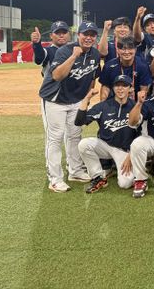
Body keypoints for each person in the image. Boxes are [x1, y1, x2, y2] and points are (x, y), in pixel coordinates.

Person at [38, 21, 100, 192]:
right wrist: (73, 57)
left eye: (92, 35)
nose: (88, 38)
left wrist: (86, 98)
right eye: (85, 34)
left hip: (76, 100)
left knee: (74, 136)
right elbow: (57, 75)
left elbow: (92, 76)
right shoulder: (64, 51)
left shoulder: (95, 54)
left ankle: (75, 171)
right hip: (55, 99)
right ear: (78, 35)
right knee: (55, 138)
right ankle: (55, 179)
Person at [76, 75, 138, 193]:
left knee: (125, 184)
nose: (120, 89)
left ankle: (136, 173)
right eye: (117, 85)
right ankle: (98, 177)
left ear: (130, 88)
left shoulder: (135, 107)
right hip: (105, 146)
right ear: (113, 88)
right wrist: (86, 98)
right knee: (84, 144)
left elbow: (141, 135)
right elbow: (79, 122)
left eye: (124, 85)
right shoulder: (103, 106)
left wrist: (131, 155)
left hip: (125, 151)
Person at [99, 36, 152, 100]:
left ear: (135, 50)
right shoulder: (109, 66)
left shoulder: (143, 66)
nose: (126, 52)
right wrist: (103, 104)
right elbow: (105, 88)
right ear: (118, 50)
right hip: (114, 101)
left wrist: (138, 104)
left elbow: (143, 89)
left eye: (130, 48)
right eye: (123, 49)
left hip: (135, 101)